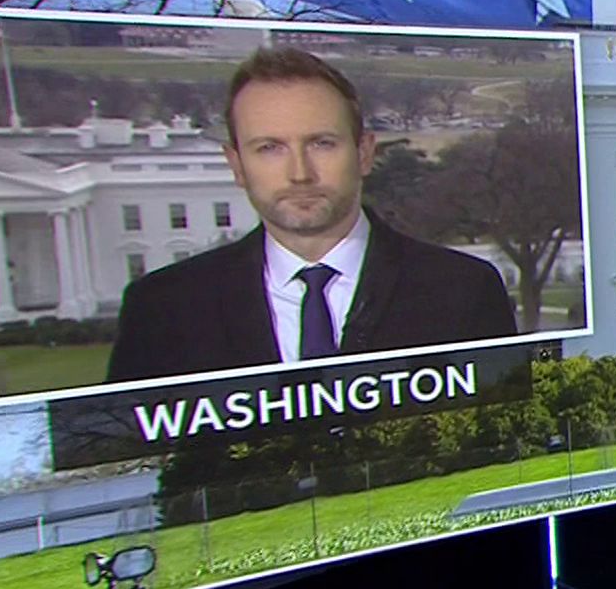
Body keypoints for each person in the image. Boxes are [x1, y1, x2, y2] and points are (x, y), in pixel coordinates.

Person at [107, 47, 518, 383]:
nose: (300, 173)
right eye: (269, 148)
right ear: (236, 165)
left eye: (322, 143)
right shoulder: (162, 310)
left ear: (364, 153)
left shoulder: (463, 291)